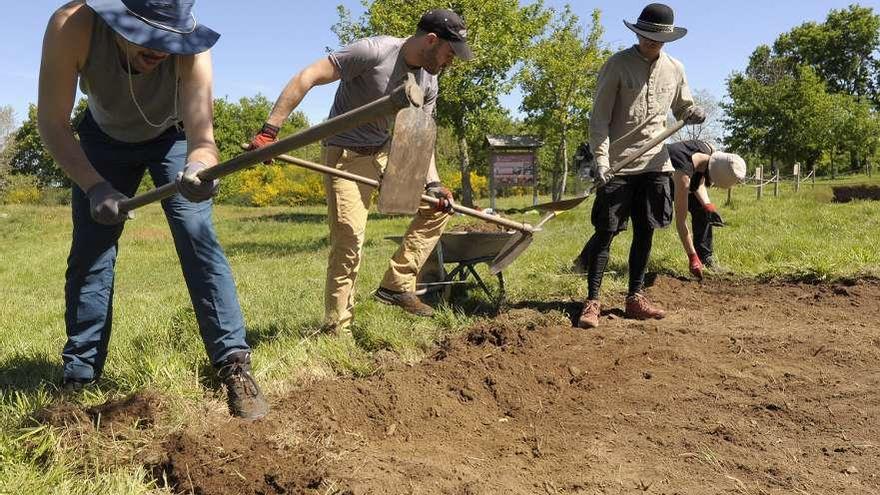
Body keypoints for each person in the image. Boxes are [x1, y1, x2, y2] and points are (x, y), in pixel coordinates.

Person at [38, 0, 268, 419]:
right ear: (117, 17)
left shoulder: (193, 48)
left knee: (198, 238)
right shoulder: (73, 25)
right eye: (148, 37)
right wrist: (94, 186)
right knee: (91, 252)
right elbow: (52, 123)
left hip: (172, 137)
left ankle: (234, 363)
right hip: (101, 142)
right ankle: (80, 375)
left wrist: (201, 169)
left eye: (170, 37)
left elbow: (202, 137)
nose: (161, 48)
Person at [250, 9, 473, 334]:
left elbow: (422, 134)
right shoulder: (374, 51)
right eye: (450, 52)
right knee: (350, 242)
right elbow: (308, 76)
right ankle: (337, 329)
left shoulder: (430, 78)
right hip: (346, 154)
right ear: (431, 40)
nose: (451, 61)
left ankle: (397, 284)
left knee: (438, 208)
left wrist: (435, 182)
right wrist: (269, 131)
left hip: (386, 152)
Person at [576, 3, 705, 330]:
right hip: (618, 166)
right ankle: (592, 301)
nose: (652, 43)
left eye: (658, 39)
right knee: (605, 233)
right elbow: (599, 119)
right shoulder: (617, 66)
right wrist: (602, 161)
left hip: (655, 164)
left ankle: (635, 297)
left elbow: (683, 107)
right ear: (637, 32)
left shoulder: (675, 68)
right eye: (647, 37)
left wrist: (694, 112)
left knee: (645, 231)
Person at [668, 140, 746, 279]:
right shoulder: (683, 175)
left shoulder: (709, 151)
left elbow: (698, 182)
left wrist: (708, 206)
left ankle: (705, 257)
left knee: (703, 211)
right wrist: (692, 257)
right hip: (664, 179)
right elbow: (681, 221)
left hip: (685, 175)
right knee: (655, 218)